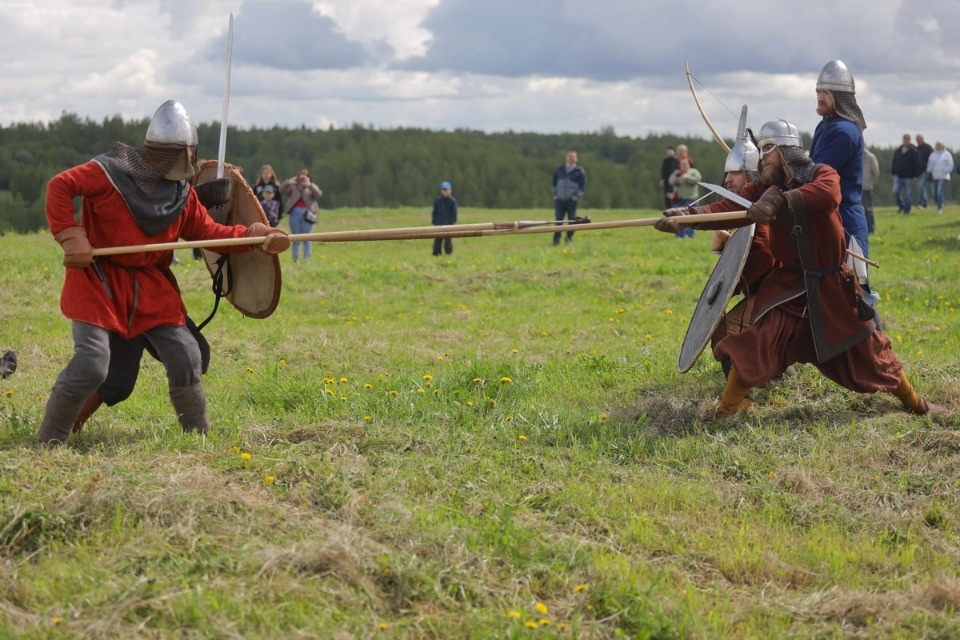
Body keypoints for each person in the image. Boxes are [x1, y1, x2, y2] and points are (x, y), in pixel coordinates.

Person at [39, 99, 291, 445]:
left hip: (149, 285)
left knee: (187, 355)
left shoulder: (181, 194)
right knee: (94, 363)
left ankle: (198, 438)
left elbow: (208, 233)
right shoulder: (109, 172)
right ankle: (50, 439)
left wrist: (254, 236)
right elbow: (61, 185)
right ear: (186, 151)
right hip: (99, 280)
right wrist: (70, 234)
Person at [656, 119, 939, 419]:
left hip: (831, 288)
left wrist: (781, 200)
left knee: (871, 351)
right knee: (757, 341)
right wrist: (687, 216)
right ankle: (728, 409)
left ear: (787, 151)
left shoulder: (822, 175)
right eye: (761, 151)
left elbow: (827, 194)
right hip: (790, 288)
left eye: (768, 149)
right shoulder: (763, 188)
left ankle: (917, 404)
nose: (762, 158)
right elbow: (730, 208)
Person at [280, 168, 322, 262]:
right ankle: (295, 259)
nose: (302, 180)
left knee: (307, 237)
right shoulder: (293, 186)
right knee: (295, 237)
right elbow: (282, 190)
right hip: (295, 212)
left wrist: (310, 185)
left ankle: (307, 259)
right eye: (300, 177)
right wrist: (288, 182)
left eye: (305, 177)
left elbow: (318, 194)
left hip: (308, 213)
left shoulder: (311, 187)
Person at [551, 150, 586, 246]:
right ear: (566, 157)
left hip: (572, 200)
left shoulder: (579, 171)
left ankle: (569, 239)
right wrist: (555, 194)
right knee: (558, 220)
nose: (571, 158)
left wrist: (576, 196)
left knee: (572, 220)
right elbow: (554, 183)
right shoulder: (559, 169)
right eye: (569, 156)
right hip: (559, 199)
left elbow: (582, 187)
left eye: (573, 157)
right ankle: (556, 241)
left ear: (576, 158)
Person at [667, 157, 701, 239]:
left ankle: (690, 236)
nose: (684, 166)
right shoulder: (677, 172)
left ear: (689, 164)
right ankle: (680, 235)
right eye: (682, 164)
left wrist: (686, 177)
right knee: (677, 217)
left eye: (685, 164)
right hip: (679, 199)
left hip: (691, 199)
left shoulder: (694, 172)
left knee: (690, 218)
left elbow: (698, 179)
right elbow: (670, 181)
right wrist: (676, 179)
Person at [892, 134, 921, 214]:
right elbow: (894, 161)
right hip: (898, 176)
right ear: (903, 140)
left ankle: (906, 211)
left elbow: (917, 164)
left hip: (909, 177)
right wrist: (893, 172)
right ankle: (901, 205)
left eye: (907, 139)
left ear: (910, 140)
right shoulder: (898, 150)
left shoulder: (914, 151)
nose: (906, 141)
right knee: (895, 192)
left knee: (909, 194)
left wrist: (916, 175)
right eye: (905, 139)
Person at [431, 181, 458, 256]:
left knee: (448, 242)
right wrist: (434, 221)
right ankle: (436, 254)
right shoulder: (438, 201)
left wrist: (452, 223)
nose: (445, 191)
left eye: (447, 190)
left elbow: (454, 213)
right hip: (438, 224)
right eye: (444, 190)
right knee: (437, 242)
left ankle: (448, 254)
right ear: (441, 191)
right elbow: (434, 212)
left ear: (450, 190)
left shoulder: (452, 201)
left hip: (448, 225)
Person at [927, 141, 954, 215]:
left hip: (943, 176)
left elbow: (950, 165)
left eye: (939, 145)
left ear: (942, 146)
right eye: (936, 145)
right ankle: (940, 203)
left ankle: (939, 208)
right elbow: (929, 164)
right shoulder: (932, 154)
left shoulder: (947, 154)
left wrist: (944, 171)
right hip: (934, 176)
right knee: (934, 193)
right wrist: (929, 170)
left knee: (939, 192)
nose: (938, 146)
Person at [862, 146, 880, 234]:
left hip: (864, 186)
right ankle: (869, 229)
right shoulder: (870, 156)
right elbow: (876, 172)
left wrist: (872, 182)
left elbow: (876, 172)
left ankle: (870, 229)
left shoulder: (870, 157)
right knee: (868, 209)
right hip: (865, 186)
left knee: (867, 209)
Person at [916, 134, 933, 209]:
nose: (918, 141)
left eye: (919, 139)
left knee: (921, 186)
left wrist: (928, 167)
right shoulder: (917, 148)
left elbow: (932, 158)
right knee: (921, 187)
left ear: (922, 139)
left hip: (926, 170)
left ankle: (921, 203)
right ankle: (925, 203)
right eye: (917, 140)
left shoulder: (928, 147)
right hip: (919, 171)